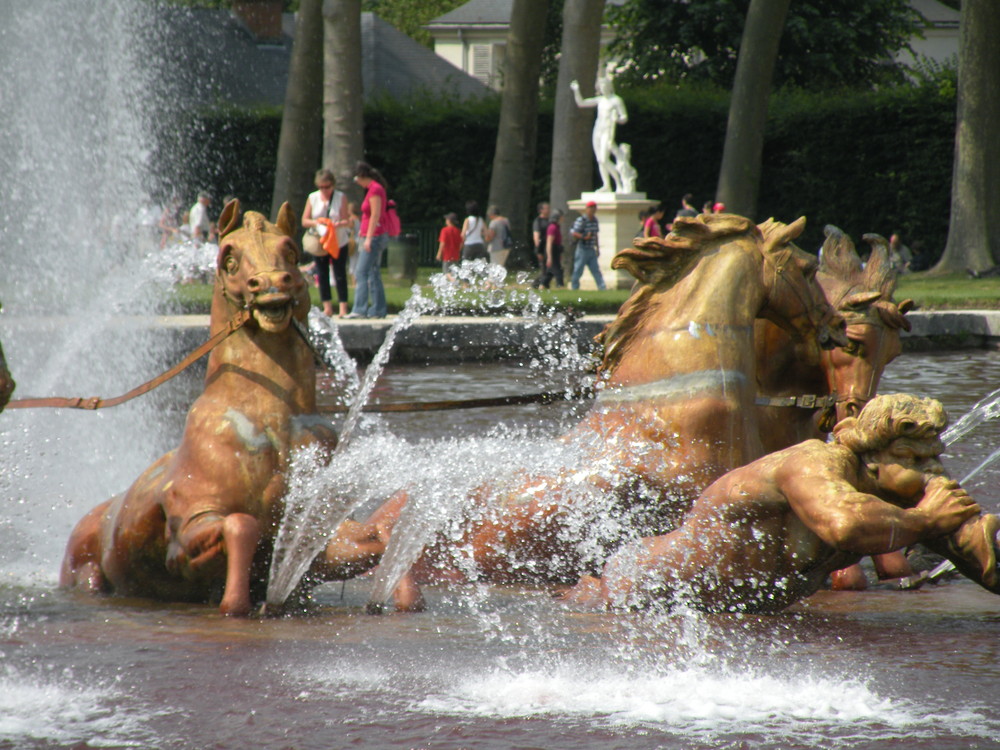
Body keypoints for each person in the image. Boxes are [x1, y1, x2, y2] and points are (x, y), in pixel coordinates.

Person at [563, 394, 999, 613]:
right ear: (874, 455)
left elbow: (983, 562)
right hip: (645, 590)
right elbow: (843, 525)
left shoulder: (902, 503)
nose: (932, 471)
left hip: (734, 615)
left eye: (935, 458)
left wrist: (976, 540)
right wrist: (926, 519)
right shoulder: (813, 462)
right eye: (914, 459)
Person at [571, 64, 629, 193]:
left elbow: (624, 116)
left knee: (603, 158)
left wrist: (617, 119)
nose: (602, 88)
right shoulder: (600, 100)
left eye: (604, 86)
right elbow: (581, 103)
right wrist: (576, 90)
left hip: (608, 130)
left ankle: (619, 183)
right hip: (598, 129)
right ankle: (607, 185)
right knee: (599, 160)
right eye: (601, 87)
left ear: (609, 87)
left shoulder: (616, 100)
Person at [301, 169, 351, 318]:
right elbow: (304, 220)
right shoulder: (313, 197)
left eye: (327, 187)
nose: (324, 190)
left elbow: (347, 221)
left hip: (338, 241)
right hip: (320, 242)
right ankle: (327, 307)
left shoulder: (340, 197)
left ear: (333, 185)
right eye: (321, 187)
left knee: (340, 273)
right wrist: (317, 223)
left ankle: (343, 308)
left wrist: (337, 224)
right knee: (322, 274)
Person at [344, 161, 389, 319]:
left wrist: (368, 239)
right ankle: (378, 309)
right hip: (373, 235)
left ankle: (359, 309)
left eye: (357, 178)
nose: (357, 182)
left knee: (361, 272)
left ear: (362, 176)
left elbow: (375, 215)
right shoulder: (373, 189)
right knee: (373, 272)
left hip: (373, 236)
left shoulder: (375, 189)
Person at [570, 201, 606, 291]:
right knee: (578, 270)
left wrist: (597, 248)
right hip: (582, 249)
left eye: (594, 208)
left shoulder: (595, 220)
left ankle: (602, 288)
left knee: (596, 270)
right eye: (591, 208)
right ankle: (574, 287)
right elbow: (574, 232)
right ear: (587, 209)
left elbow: (596, 235)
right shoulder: (581, 220)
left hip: (591, 249)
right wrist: (584, 237)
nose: (593, 210)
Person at [532, 209, 564, 289]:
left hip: (556, 250)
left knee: (550, 272)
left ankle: (541, 285)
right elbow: (549, 243)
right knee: (558, 271)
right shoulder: (552, 228)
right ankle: (560, 286)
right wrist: (549, 257)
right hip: (552, 251)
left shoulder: (556, 227)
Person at [485, 205, 513, 269]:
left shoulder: (494, 222)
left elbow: (490, 236)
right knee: (500, 267)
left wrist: (486, 237)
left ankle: (493, 279)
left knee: (494, 268)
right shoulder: (506, 220)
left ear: (492, 214)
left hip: (496, 248)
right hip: (506, 246)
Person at [436, 212, 462, 276]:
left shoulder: (444, 230)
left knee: (446, 272)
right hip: (456, 255)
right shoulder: (457, 230)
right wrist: (458, 251)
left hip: (447, 255)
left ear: (449, 221)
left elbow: (442, 243)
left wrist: (439, 253)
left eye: (446, 219)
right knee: (454, 272)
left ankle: (453, 281)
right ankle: (454, 281)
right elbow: (461, 243)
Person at [532, 202, 551, 269]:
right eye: (546, 208)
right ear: (541, 210)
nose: (549, 209)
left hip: (550, 246)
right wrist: (538, 250)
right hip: (542, 247)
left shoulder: (550, 220)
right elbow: (536, 236)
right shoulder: (538, 221)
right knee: (544, 267)